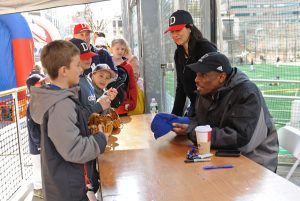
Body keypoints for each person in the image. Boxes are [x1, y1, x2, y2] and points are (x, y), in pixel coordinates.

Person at [172, 52, 279, 172]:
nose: (196, 80)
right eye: (197, 74)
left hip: (256, 161)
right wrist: (182, 124)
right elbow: (199, 120)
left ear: (221, 77)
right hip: (222, 155)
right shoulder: (205, 91)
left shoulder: (247, 93)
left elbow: (239, 140)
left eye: (203, 75)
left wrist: (192, 131)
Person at [29, 40, 108, 201]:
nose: (81, 70)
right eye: (77, 66)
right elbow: (74, 150)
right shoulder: (60, 105)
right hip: (67, 191)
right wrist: (101, 138)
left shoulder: (57, 99)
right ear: (64, 70)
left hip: (65, 186)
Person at [164, 10, 217, 117]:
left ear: (190, 28)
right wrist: (174, 115)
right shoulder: (178, 54)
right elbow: (181, 86)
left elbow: (214, 83)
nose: (175, 35)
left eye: (178, 30)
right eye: (172, 32)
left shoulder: (205, 48)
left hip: (212, 107)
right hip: (195, 106)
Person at [69, 38, 116, 115]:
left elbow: (92, 104)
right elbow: (75, 117)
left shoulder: (87, 78)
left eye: (89, 56)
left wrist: (106, 96)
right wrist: (98, 106)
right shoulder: (71, 83)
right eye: (84, 57)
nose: (88, 59)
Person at [26, 73, 46, 199]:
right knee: (38, 168)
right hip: (37, 146)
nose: (44, 85)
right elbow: (32, 127)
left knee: (43, 167)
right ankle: (38, 189)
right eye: (41, 84)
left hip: (42, 143)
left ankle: (43, 187)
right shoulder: (33, 103)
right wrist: (39, 144)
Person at [111, 38, 137, 116]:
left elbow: (132, 86)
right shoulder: (106, 64)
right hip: (107, 107)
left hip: (123, 107)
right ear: (112, 48)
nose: (120, 51)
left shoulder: (128, 66)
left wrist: (132, 103)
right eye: (117, 48)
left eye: (122, 49)